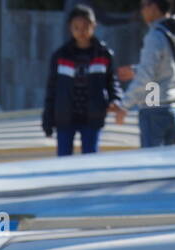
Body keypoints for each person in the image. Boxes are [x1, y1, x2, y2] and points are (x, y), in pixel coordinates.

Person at [42, 5, 122, 157]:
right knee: (64, 160)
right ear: (70, 28)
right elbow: (52, 88)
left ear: (94, 26)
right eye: (76, 27)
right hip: (65, 116)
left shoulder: (104, 54)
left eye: (86, 27)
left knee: (90, 159)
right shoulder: (60, 55)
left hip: (92, 115)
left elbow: (112, 81)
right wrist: (48, 119)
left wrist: (115, 99)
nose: (81, 31)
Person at [114, 0, 175, 149]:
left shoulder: (155, 36)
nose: (141, 10)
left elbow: (146, 77)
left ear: (154, 7)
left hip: (154, 106)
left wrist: (124, 105)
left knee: (152, 161)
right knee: (168, 163)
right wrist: (136, 70)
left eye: (143, 5)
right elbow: (168, 69)